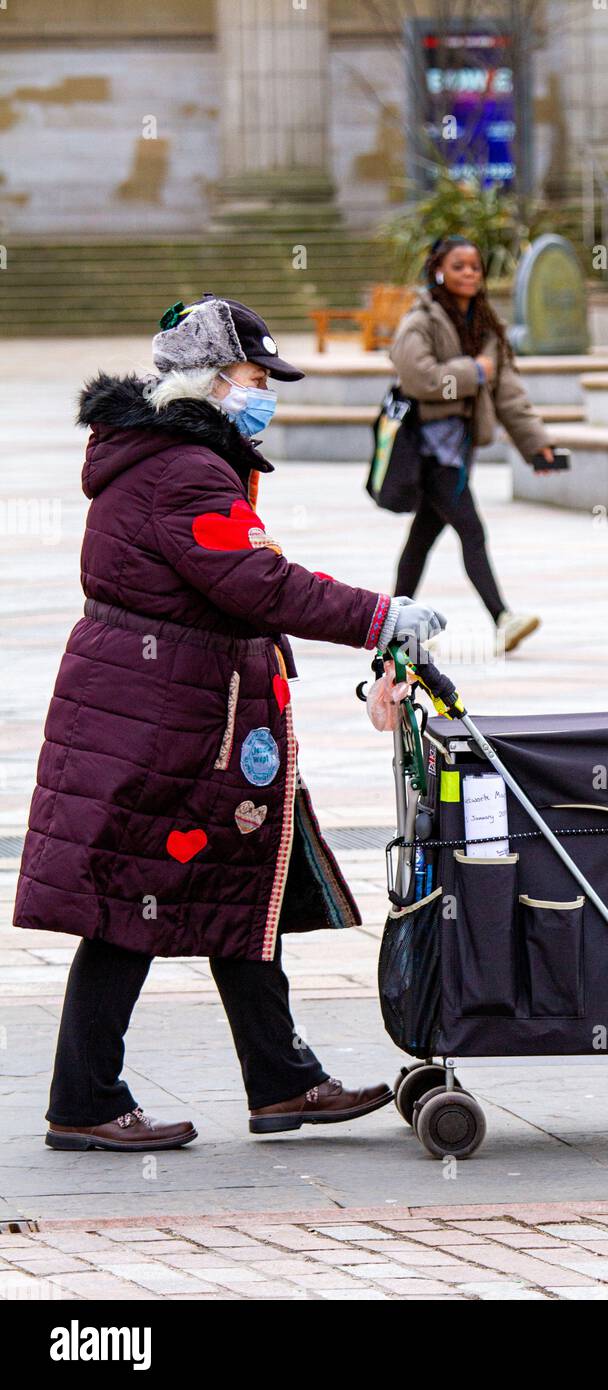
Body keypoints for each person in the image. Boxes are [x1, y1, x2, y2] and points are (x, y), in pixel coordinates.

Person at [14, 294, 445, 1151]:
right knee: (128, 902)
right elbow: (257, 583)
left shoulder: (176, 454)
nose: (263, 394)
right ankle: (86, 1100)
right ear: (213, 381)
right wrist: (376, 617)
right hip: (164, 715)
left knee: (237, 882)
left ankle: (282, 1081)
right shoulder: (184, 467)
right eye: (254, 378)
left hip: (175, 705)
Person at [389, 235, 556, 654]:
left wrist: (536, 445)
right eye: (459, 266)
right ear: (439, 270)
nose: (469, 273)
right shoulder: (421, 320)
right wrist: (473, 373)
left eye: (475, 267)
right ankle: (503, 617)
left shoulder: (484, 327)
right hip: (428, 451)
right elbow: (419, 379)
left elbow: (509, 395)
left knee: (422, 538)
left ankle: (390, 623)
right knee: (472, 530)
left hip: (458, 451)